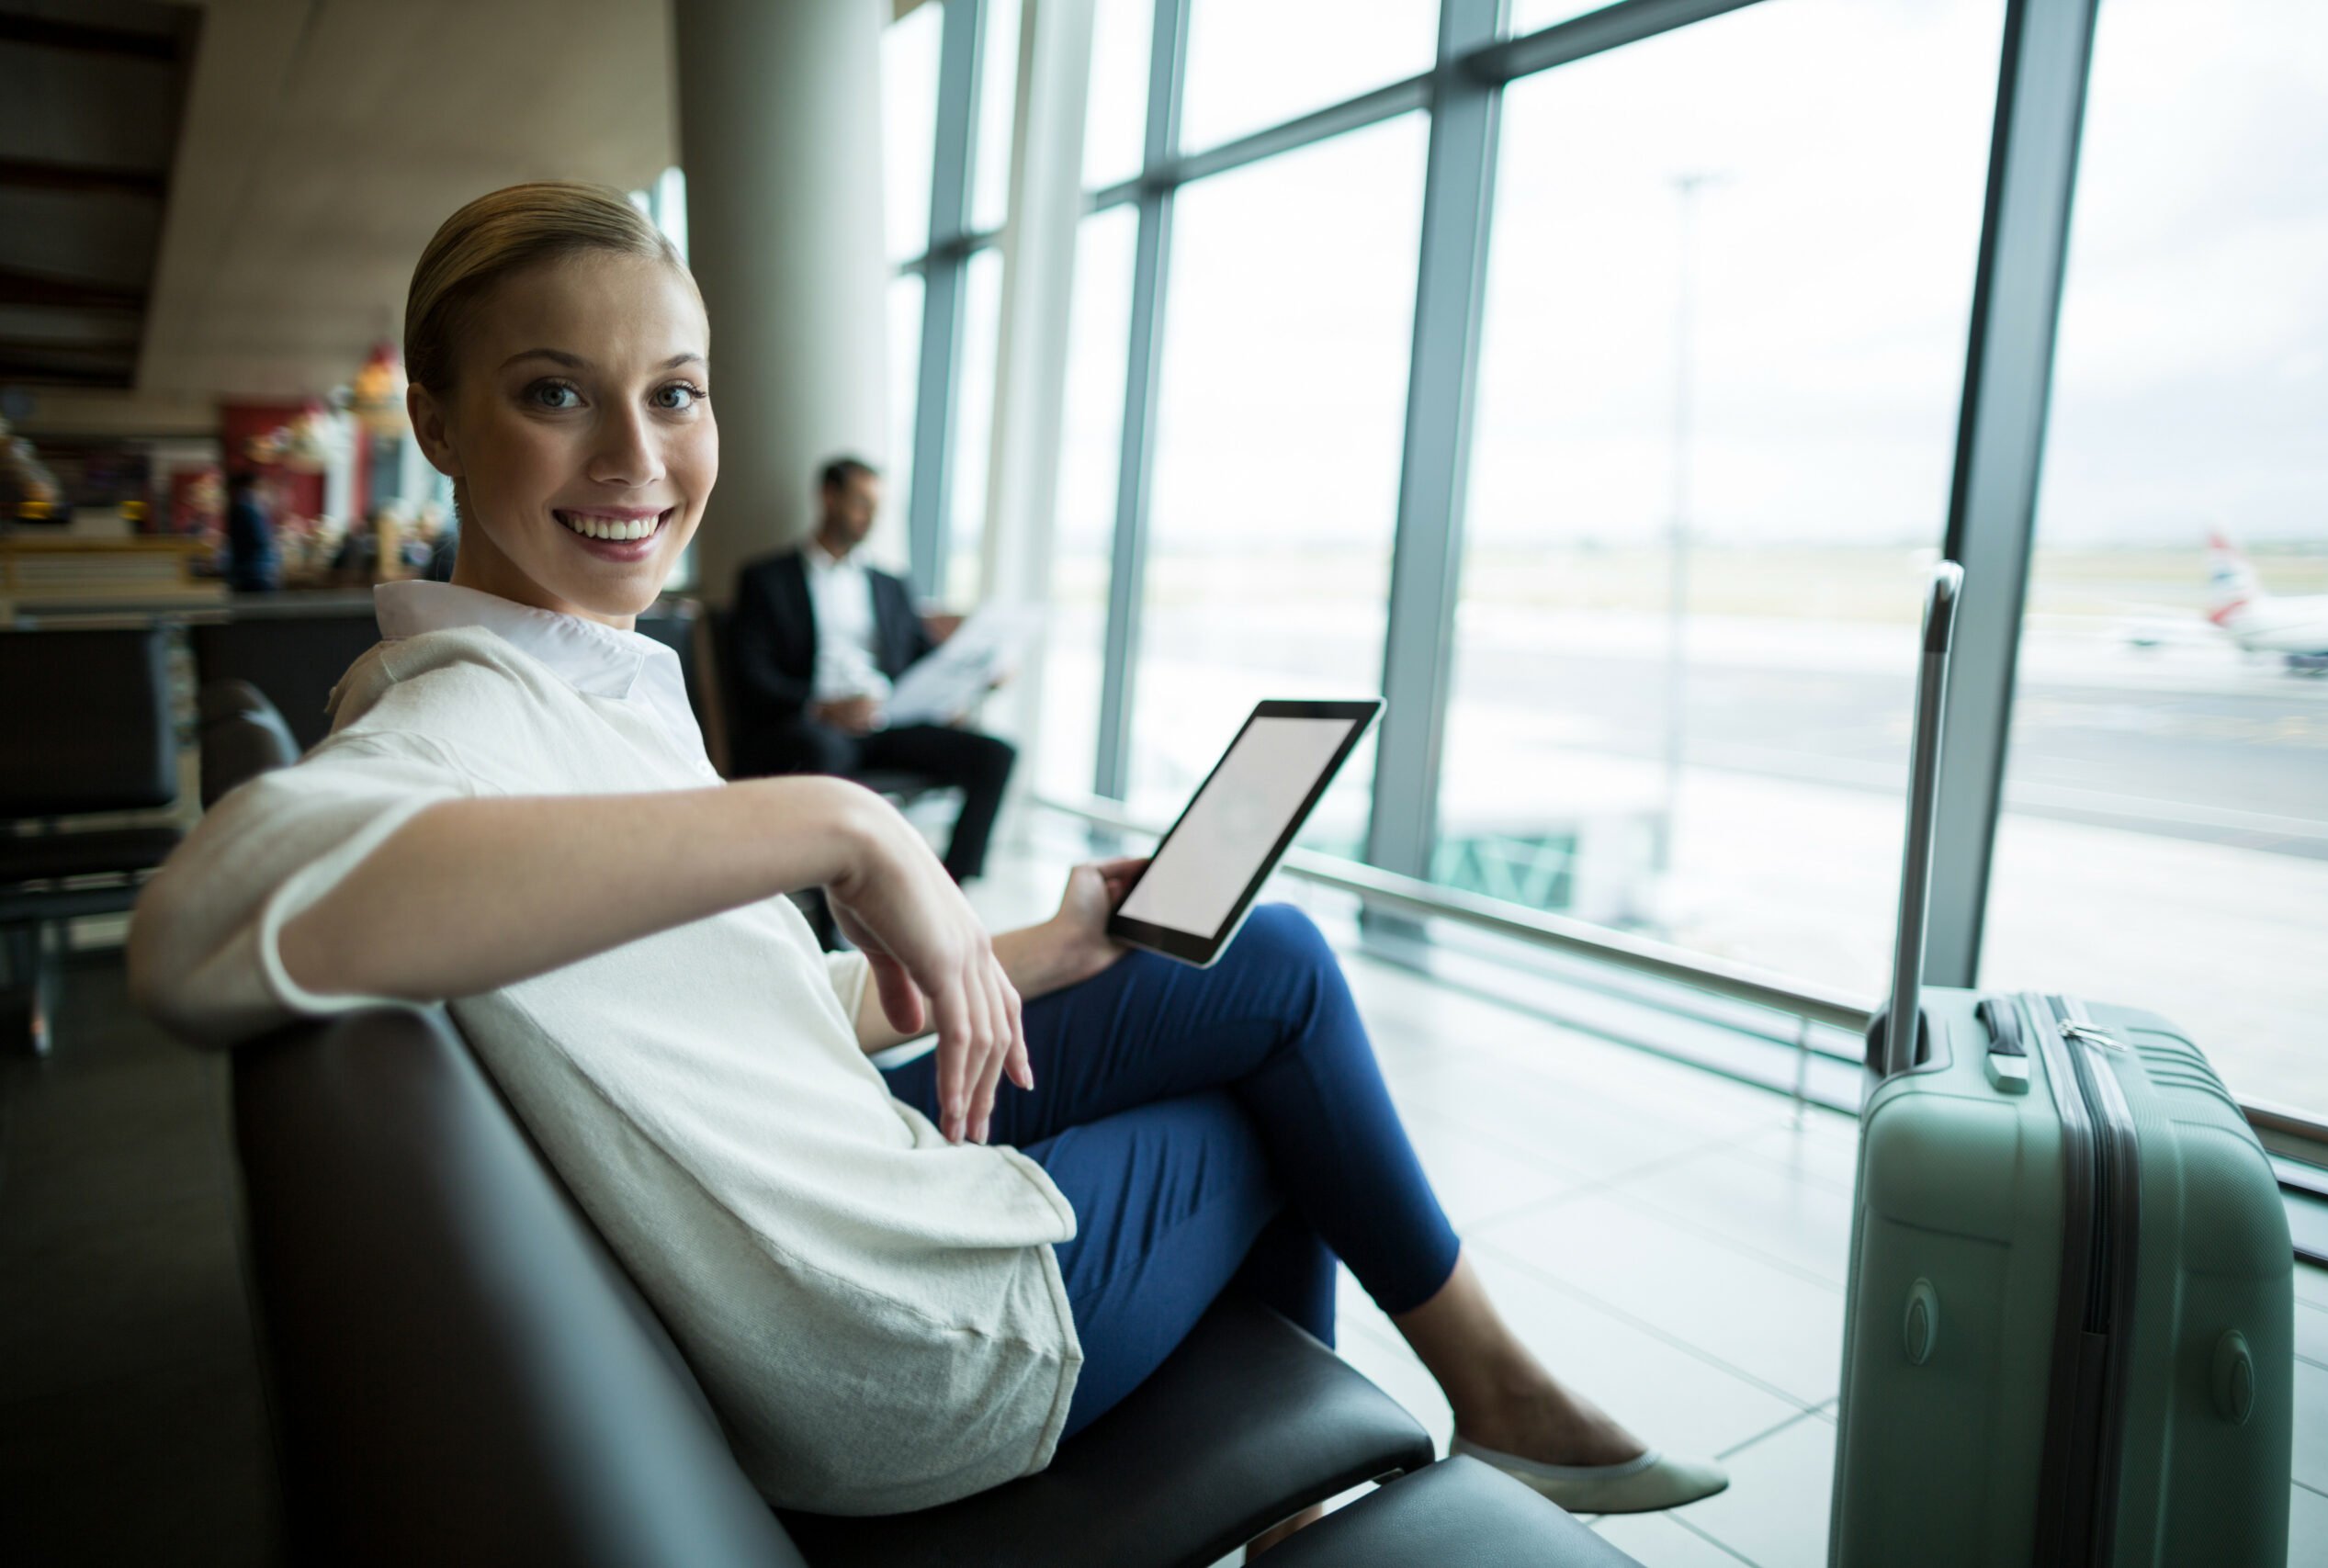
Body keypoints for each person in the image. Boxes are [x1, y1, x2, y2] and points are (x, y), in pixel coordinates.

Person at [126, 182, 1725, 1536]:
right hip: (902, 1338)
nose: (636, 454)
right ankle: (1434, 1431)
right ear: (439, 418)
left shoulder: (578, 678)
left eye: (675, 390)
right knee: (1265, 1111)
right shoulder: (455, 722)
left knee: (1260, 952)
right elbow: (202, 920)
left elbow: (711, 1020)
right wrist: (839, 815)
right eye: (557, 393)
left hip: (853, 1178)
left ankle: (1463, 1413)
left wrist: (1028, 944)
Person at [729, 458, 1013, 885]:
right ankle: (833, 906)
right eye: (862, 502)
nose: (871, 517)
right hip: (818, 726)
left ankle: (950, 887)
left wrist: (977, 678)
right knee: (824, 755)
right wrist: (823, 709)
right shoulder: (768, 579)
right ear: (828, 496)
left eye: (877, 506)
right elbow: (750, 673)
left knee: (995, 755)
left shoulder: (889, 584)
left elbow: (924, 659)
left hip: (888, 722)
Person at [221, 468, 280, 592]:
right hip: (254, 574)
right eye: (260, 487)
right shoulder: (246, 509)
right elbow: (260, 540)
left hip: (245, 573)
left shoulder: (240, 508)